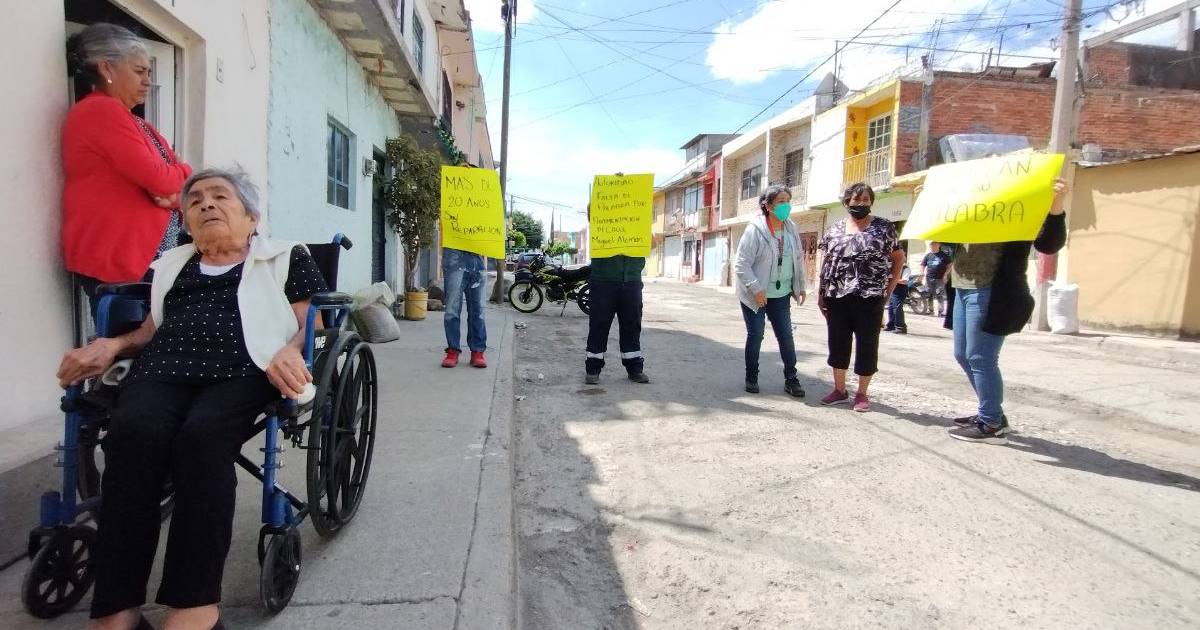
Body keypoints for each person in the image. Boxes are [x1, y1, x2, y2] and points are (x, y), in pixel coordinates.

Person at [56, 168, 328, 630]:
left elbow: (314, 323)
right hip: (163, 369)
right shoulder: (173, 264)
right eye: (195, 199)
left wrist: (289, 349)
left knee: (202, 441)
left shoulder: (284, 257)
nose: (205, 204)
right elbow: (150, 329)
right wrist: (112, 346)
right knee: (130, 435)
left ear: (251, 217)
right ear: (186, 220)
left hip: (244, 368)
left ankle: (194, 605)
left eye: (220, 196)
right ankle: (116, 608)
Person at [63, 23, 193, 315]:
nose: (147, 80)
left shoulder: (139, 123)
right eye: (138, 71)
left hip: (149, 260)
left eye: (149, 72)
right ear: (107, 69)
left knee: (150, 349)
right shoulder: (99, 111)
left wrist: (176, 189)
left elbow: (185, 178)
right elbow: (160, 178)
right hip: (122, 260)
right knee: (129, 349)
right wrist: (172, 184)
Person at [945, 178, 1069, 444]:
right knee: (963, 355)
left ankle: (990, 424)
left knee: (980, 357)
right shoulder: (970, 206)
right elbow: (943, 235)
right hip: (962, 286)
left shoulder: (1017, 209)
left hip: (992, 290)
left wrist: (1056, 205)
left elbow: (1049, 244)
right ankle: (991, 414)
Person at [816, 182, 904, 412]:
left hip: (870, 296)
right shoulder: (835, 229)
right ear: (847, 203)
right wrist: (821, 292)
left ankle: (862, 394)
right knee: (838, 342)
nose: (861, 204)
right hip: (836, 295)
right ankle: (839, 389)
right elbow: (826, 262)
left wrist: (890, 288)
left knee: (867, 344)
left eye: (866, 200)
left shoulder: (884, 228)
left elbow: (898, 258)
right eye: (856, 200)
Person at [733, 184, 808, 396]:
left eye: (788, 200)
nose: (786, 205)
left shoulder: (791, 228)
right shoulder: (755, 229)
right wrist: (756, 289)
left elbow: (798, 259)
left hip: (781, 293)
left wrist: (800, 285)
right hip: (756, 294)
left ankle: (791, 379)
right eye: (781, 201)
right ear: (768, 205)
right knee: (756, 335)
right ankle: (752, 376)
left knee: (785, 335)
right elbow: (741, 264)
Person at [585, 202, 650, 385]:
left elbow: (651, 242)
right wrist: (605, 194)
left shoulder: (638, 224)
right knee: (598, 325)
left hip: (631, 282)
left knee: (632, 326)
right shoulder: (604, 222)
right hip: (603, 281)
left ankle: (634, 368)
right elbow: (592, 211)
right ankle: (593, 369)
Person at [441, 247, 488, 368]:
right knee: (452, 309)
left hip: (477, 255)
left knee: (478, 310)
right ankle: (453, 350)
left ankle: (477, 351)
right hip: (453, 253)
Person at [920, 242, 951, 316]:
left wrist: (946, 274)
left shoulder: (943, 255)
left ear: (939, 245)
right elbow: (922, 265)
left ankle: (940, 312)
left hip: (940, 279)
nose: (933, 246)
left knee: (939, 294)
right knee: (929, 294)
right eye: (932, 245)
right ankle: (931, 311)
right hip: (929, 278)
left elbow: (950, 265)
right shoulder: (928, 255)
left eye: (935, 245)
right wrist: (922, 273)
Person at [884, 258, 911, 334]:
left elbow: (904, 281)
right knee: (891, 307)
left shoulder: (906, 268)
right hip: (893, 289)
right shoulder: (893, 267)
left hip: (900, 289)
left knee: (897, 308)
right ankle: (891, 325)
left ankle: (901, 327)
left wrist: (893, 279)